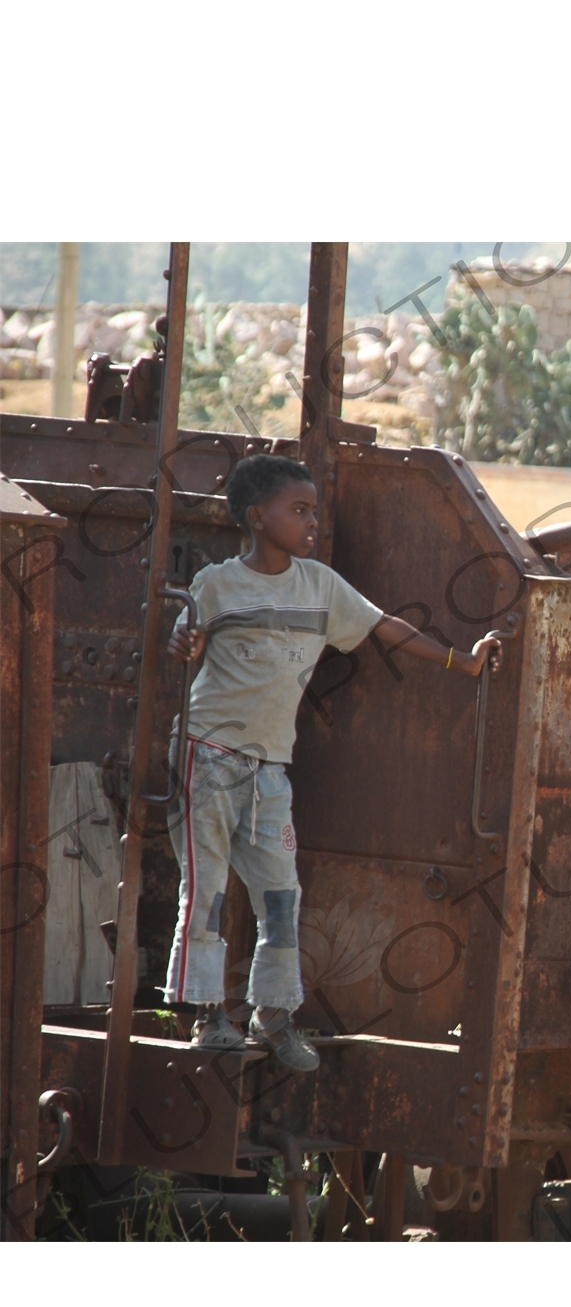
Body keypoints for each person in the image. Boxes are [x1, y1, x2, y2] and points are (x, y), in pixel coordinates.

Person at [163, 454, 502, 1070]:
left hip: (269, 766)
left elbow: (384, 628)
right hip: (207, 755)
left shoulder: (319, 585)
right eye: (299, 511)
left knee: (281, 895)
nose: (312, 522)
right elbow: (186, 640)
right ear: (258, 519)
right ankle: (207, 1015)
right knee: (207, 890)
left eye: (313, 510)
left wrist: (462, 662)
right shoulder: (216, 584)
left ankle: (273, 1014)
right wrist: (183, 640)